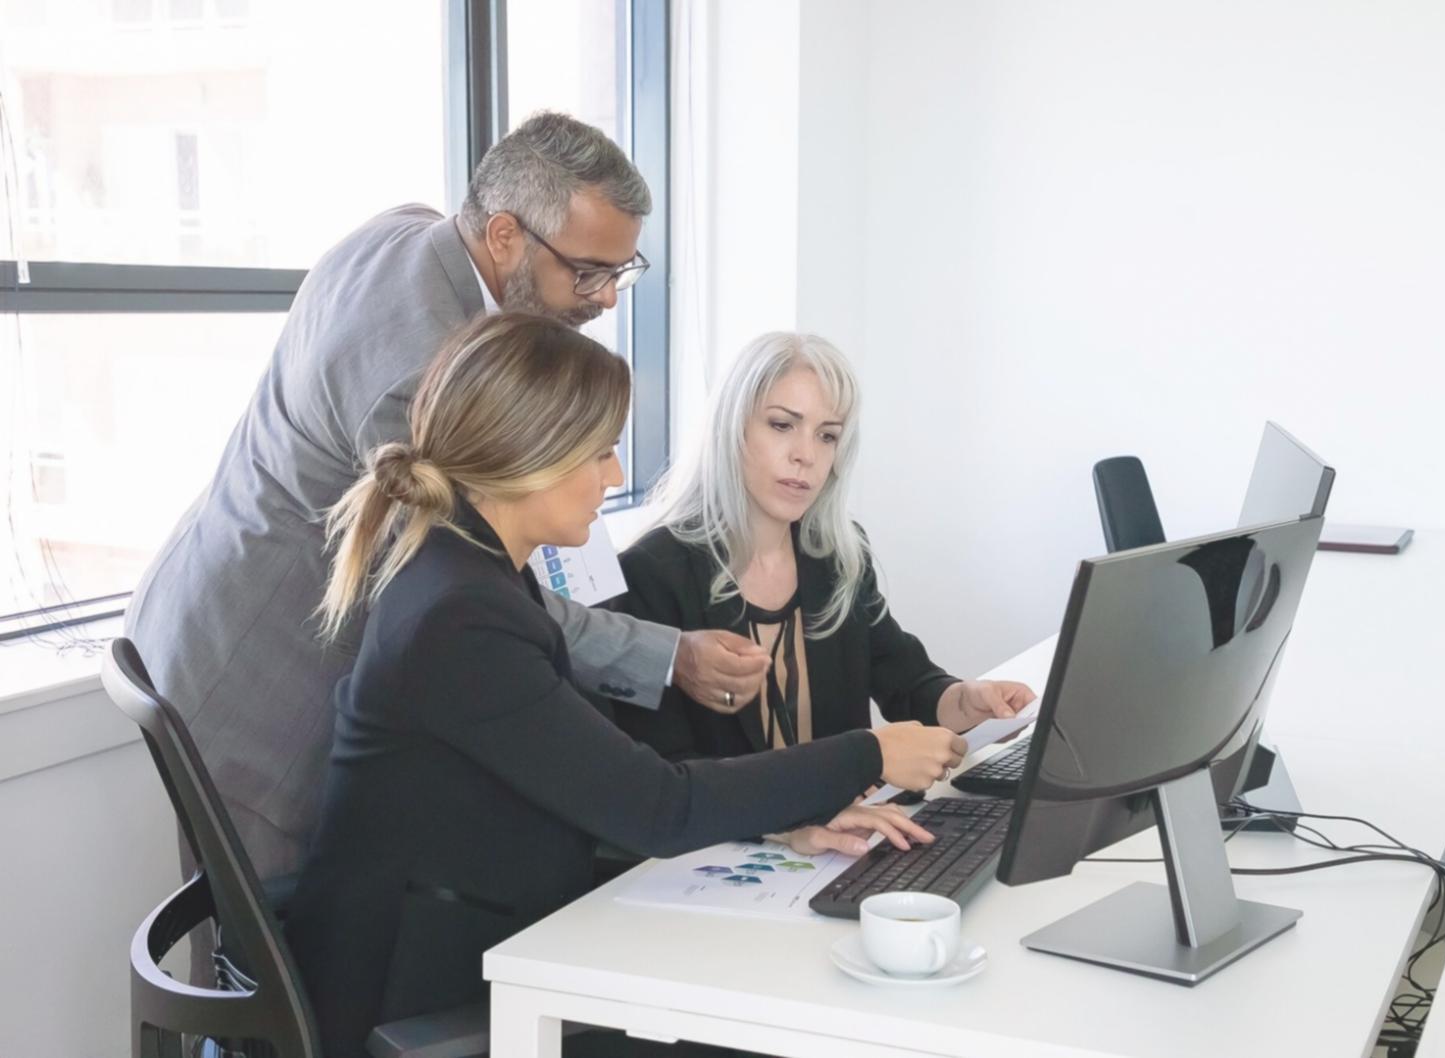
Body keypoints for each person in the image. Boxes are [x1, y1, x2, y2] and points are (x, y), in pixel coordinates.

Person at [284, 313, 965, 1057]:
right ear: (530, 452)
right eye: (601, 453)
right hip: (418, 991)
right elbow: (658, 806)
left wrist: (787, 820)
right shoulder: (463, 618)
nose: (613, 478)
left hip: (481, 931)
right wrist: (870, 752)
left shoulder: (473, 573)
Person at [125, 112, 768, 889]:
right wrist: (667, 656)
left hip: (211, 594)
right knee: (272, 938)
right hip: (258, 672)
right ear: (504, 236)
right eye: (586, 272)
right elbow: (474, 588)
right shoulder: (416, 377)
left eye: (620, 272)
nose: (605, 299)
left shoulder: (414, 232)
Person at [610, 332, 1036, 761]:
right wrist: (833, 788)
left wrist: (966, 702)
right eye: (782, 425)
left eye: (827, 436)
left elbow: (907, 684)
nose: (806, 455)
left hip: (853, 805)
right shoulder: (649, 574)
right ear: (731, 429)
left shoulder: (838, 555)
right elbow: (668, 773)